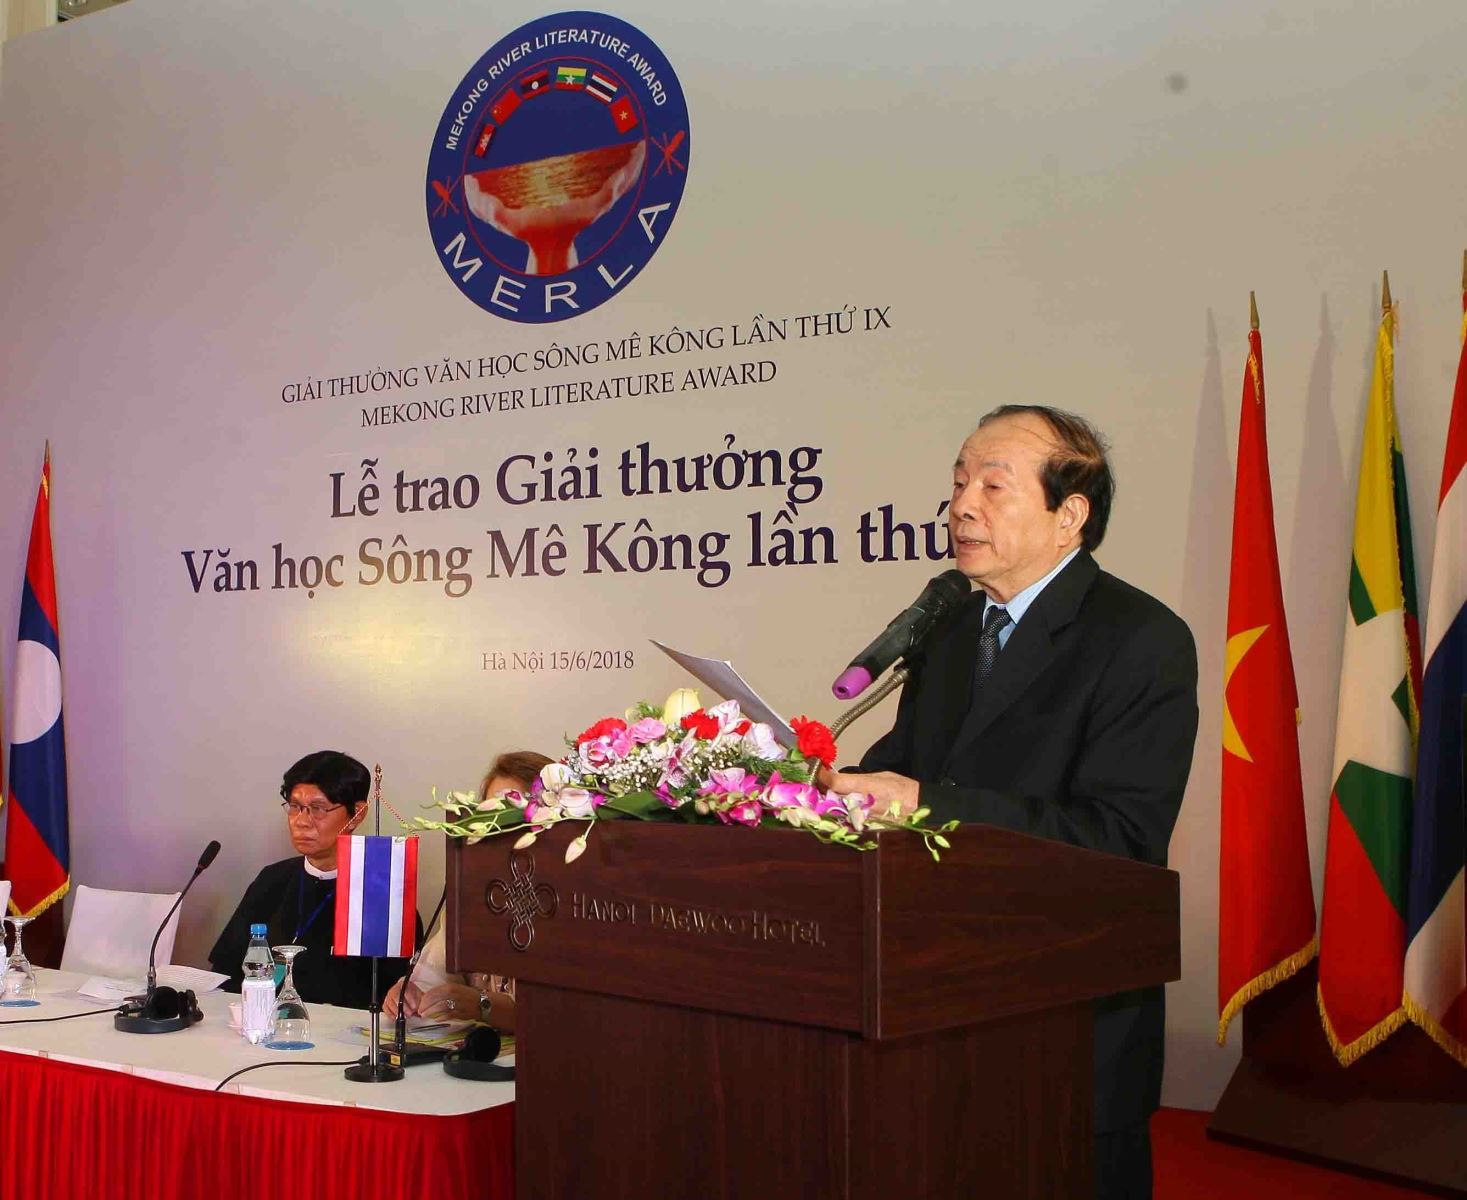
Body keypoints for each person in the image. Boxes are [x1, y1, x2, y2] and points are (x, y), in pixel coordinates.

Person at [824, 405, 1199, 1200]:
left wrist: (926, 804)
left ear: (1069, 516)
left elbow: (1118, 839)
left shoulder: (1140, 638)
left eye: (992, 486)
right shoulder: (955, 627)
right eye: (959, 481)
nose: (961, 505)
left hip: (1064, 1027)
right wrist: (814, 786)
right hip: (933, 1011)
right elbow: (904, 769)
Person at [209, 750, 420, 1009]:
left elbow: (398, 996)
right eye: (295, 807)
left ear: (357, 813)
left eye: (318, 809)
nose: (301, 821)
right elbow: (226, 972)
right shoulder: (272, 879)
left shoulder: (383, 893)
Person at [383, 749, 553, 1031]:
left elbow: (561, 1015)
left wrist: (483, 1005)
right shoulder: (474, 893)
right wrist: (410, 992)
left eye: (513, 814)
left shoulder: (571, 898)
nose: (499, 828)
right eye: (490, 815)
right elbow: (435, 973)